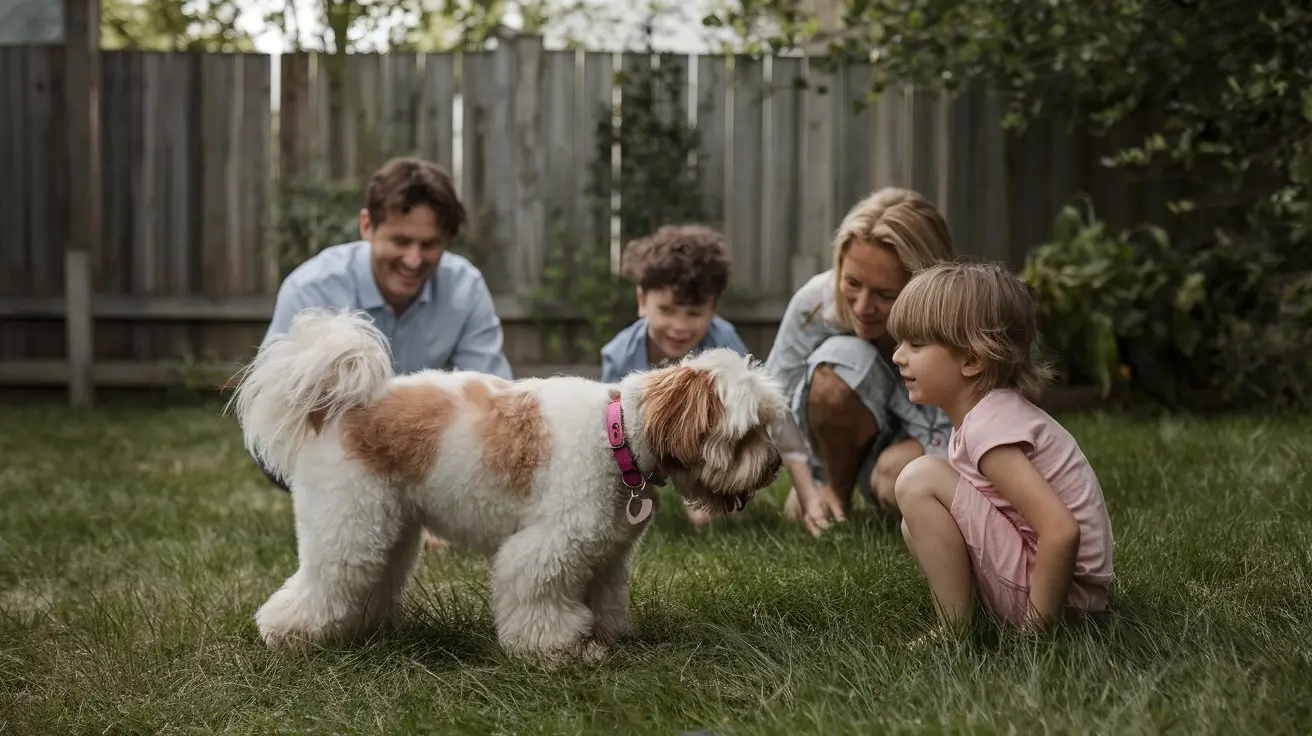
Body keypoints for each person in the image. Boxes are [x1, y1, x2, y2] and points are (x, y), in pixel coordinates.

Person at [254, 157, 513, 548]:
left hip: (420, 442)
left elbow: (497, 408)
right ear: (366, 226)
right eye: (400, 241)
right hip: (329, 436)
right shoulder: (312, 289)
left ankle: (418, 509)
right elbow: (279, 415)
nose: (413, 260)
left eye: (429, 245)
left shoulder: (465, 289)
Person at [888, 261, 1115, 637]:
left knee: (919, 479)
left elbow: (1060, 531)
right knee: (916, 522)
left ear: (973, 360)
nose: (898, 355)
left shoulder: (990, 427)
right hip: (1063, 594)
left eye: (916, 343)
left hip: (1061, 599)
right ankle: (970, 619)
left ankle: (956, 629)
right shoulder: (988, 416)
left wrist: (1035, 634)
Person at [764, 187, 956, 535]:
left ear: (923, 284)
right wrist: (808, 486)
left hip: (932, 439)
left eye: (885, 294)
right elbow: (773, 401)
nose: (863, 307)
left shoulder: (956, 318)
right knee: (838, 365)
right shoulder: (814, 305)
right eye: (852, 283)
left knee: (896, 479)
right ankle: (833, 489)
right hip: (848, 438)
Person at [600, 223, 799, 527]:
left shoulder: (725, 347)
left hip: (711, 451)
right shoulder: (621, 354)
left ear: (713, 308)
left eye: (693, 314)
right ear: (642, 301)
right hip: (648, 452)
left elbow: (747, 417)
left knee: (711, 512)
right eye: (666, 310)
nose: (679, 326)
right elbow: (615, 431)